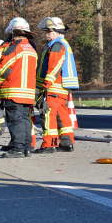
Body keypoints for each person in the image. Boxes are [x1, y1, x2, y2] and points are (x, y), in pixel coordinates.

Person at [34, 16, 79, 153]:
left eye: (48, 31)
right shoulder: (63, 44)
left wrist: (45, 85)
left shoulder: (56, 45)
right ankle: (67, 143)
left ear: (55, 31)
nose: (46, 34)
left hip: (53, 87)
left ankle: (49, 145)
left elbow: (54, 66)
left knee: (48, 116)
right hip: (62, 88)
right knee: (63, 116)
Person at [0, 17, 37, 158]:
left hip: (13, 91)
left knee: (15, 120)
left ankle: (17, 149)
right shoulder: (31, 48)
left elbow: (4, 67)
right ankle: (26, 147)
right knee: (24, 120)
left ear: (13, 32)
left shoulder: (15, 47)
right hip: (28, 92)